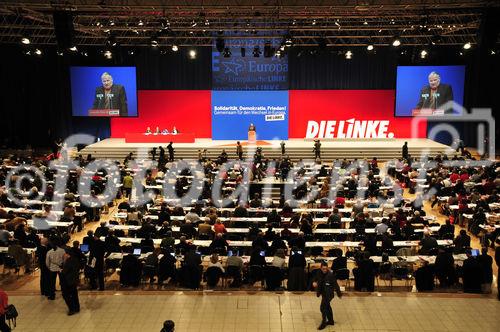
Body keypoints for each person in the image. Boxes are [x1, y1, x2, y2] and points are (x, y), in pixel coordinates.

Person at [313, 262, 342, 330]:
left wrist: (339, 294)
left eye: (326, 269)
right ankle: (331, 321)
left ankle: (324, 323)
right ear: (321, 268)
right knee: (327, 306)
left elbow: (336, 285)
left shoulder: (330, 275)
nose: (325, 270)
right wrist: (314, 282)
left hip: (328, 294)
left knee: (322, 308)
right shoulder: (319, 272)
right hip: (323, 292)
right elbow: (315, 278)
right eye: (323, 269)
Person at [61, 251, 80, 315]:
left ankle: (72, 309)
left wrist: (61, 270)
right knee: (74, 295)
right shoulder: (75, 259)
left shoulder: (68, 262)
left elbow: (64, 272)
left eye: (64, 254)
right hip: (74, 280)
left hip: (68, 281)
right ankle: (77, 308)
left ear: (67, 254)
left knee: (66, 296)